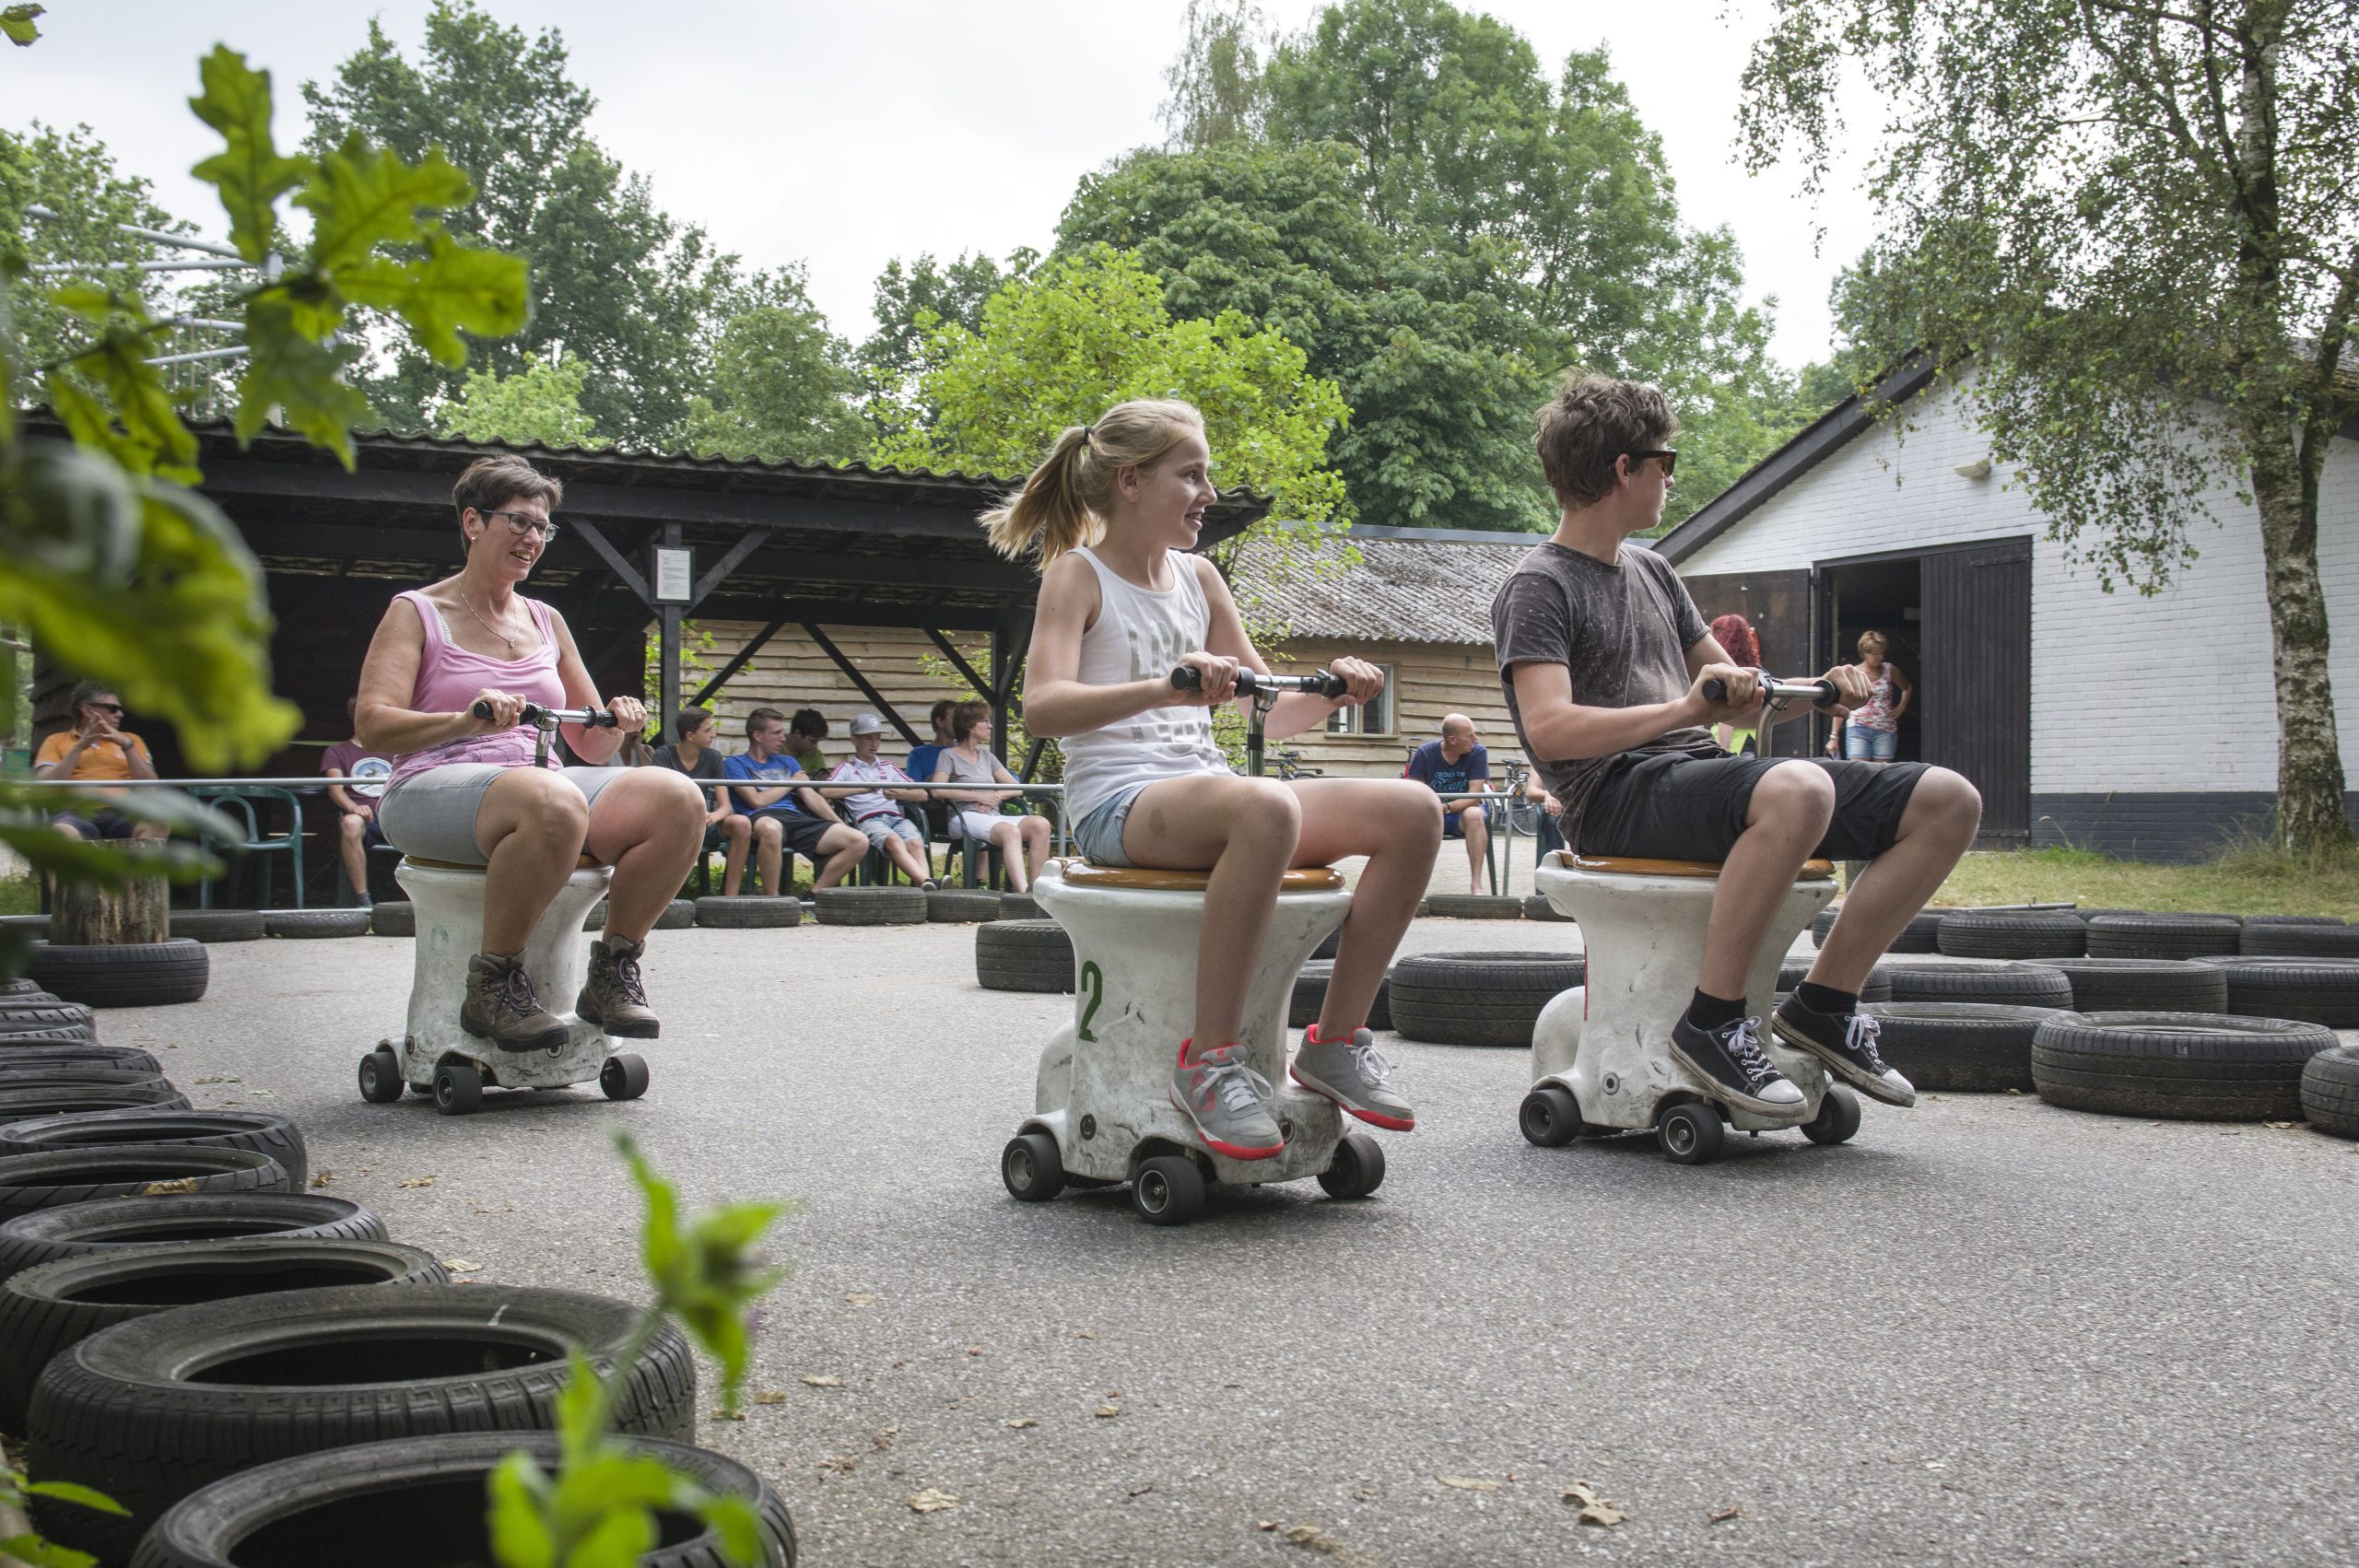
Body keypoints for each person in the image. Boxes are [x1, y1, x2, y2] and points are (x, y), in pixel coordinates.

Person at [1492, 374, 1982, 1120]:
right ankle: (1713, 1021)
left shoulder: (1653, 570)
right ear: (1627, 468)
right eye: (1667, 461)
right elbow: (1551, 728)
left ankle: (1823, 1005)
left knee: (1947, 801)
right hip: (1613, 794)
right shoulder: (1538, 585)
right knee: (1799, 789)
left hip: (1696, 774)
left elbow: (1726, 689)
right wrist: (1683, 709)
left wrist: (1818, 687)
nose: (1671, 478)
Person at [1000, 398, 1440, 1159]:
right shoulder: (1079, 575)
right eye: (1192, 475)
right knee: (1264, 807)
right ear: (1132, 481)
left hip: (1207, 793)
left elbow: (1268, 714)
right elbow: (1043, 709)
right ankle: (1208, 1063)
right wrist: (1166, 687)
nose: (1209, 493)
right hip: (1119, 804)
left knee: (1415, 810)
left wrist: (1336, 688)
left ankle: (1334, 1042)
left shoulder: (1200, 577)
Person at [356, 455, 708, 1050]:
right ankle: (493, 982)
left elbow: (590, 746)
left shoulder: (546, 620)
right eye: (519, 522)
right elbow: (372, 727)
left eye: (543, 527)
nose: (534, 539)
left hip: (536, 786)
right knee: (551, 796)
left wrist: (620, 723)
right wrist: (465, 721)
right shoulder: (416, 612)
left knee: (678, 797)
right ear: (473, 522)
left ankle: (613, 968)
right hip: (431, 786)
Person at [724, 706, 865, 895]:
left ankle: (814, 896)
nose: (783, 738)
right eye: (776, 733)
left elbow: (811, 796)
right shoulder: (735, 763)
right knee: (771, 828)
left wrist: (839, 823)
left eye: (782, 732)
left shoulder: (788, 761)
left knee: (858, 840)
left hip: (795, 818)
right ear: (758, 736)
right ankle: (773, 901)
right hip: (761, 818)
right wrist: (791, 782)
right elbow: (756, 801)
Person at [930, 701, 1050, 894]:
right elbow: (936, 790)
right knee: (1010, 831)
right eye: (984, 721)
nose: (990, 726)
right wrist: (977, 796)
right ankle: (1023, 895)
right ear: (969, 726)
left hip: (992, 816)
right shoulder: (948, 756)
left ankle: (1038, 890)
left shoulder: (987, 756)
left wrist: (996, 796)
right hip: (963, 817)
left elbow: (1017, 788)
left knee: (1041, 824)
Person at [36, 683, 166, 845]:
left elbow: (149, 788)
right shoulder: (55, 741)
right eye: (112, 708)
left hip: (125, 812)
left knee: (158, 823)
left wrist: (127, 746)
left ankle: (140, 870)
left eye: (120, 709)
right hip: (76, 814)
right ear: (88, 711)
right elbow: (45, 788)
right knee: (61, 832)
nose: (120, 714)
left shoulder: (132, 740)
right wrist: (79, 747)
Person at [820, 713, 938, 887]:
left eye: (878, 739)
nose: (874, 744)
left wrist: (900, 794)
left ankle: (927, 885)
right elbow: (824, 790)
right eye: (869, 739)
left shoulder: (889, 767)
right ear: (855, 740)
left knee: (915, 843)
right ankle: (927, 883)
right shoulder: (846, 768)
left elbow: (922, 794)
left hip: (895, 818)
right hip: (866, 819)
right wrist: (863, 788)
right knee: (893, 840)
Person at [651, 708, 752, 896]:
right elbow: (658, 802)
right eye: (707, 730)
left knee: (742, 823)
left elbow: (726, 807)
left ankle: (730, 898)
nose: (713, 734)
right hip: (672, 826)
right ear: (690, 735)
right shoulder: (663, 756)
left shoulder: (713, 757)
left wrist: (712, 816)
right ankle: (663, 895)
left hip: (704, 824)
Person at [1403, 716, 1495, 895]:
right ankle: (1411, 887)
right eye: (1470, 735)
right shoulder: (1425, 753)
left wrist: (1446, 808)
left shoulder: (1478, 752)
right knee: (1410, 822)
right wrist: (1433, 810)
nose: (1475, 739)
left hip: (1459, 813)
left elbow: (1475, 795)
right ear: (1452, 740)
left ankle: (1476, 884)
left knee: (1474, 814)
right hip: (1430, 813)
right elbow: (1413, 793)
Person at [322, 696, 396, 906]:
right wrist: (354, 807)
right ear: (355, 717)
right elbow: (335, 790)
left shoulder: (396, 750)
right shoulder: (336, 752)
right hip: (365, 818)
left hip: (395, 814)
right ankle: (364, 900)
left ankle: (418, 902)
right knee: (350, 823)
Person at [1825, 630, 1912, 762]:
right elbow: (1842, 705)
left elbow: (1907, 687)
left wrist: (1901, 707)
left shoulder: (1889, 670)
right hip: (1858, 728)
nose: (1880, 657)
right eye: (1875, 654)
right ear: (1864, 653)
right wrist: (1834, 736)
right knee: (1858, 770)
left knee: (1882, 773)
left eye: (1882, 653)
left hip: (1885, 728)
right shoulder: (1854, 672)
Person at [1708, 613, 1762, 755]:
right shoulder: (1754, 671)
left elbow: (1726, 715)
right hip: (1753, 739)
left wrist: (1722, 748)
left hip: (1734, 745)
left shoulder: (1727, 673)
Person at [905, 699, 957, 796]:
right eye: (955, 719)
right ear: (940, 722)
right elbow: (912, 786)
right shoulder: (919, 754)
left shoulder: (966, 751)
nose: (960, 723)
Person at [786, 708, 829, 778]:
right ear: (797, 733)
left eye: (817, 741)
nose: (815, 746)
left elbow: (823, 782)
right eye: (812, 741)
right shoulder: (775, 749)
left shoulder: (815, 754)